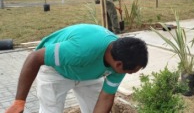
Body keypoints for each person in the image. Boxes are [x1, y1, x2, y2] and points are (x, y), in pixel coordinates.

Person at [5, 24, 148, 113]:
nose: (128, 75)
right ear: (118, 65)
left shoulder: (122, 58)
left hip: (89, 75)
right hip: (56, 70)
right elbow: (34, 58)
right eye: (129, 72)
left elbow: (106, 98)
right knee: (51, 110)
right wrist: (19, 101)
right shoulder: (80, 49)